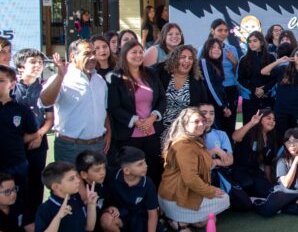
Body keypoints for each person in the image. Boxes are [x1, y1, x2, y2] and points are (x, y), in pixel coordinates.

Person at [158, 108, 230, 232]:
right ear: (185, 124)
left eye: (202, 121)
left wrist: (215, 151)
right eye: (196, 121)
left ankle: (184, 217)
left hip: (183, 192)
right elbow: (190, 179)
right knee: (224, 199)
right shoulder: (183, 145)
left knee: (207, 221)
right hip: (175, 196)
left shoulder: (193, 140)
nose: (201, 124)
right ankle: (180, 222)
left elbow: (202, 161)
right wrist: (211, 191)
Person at [40, 41, 110, 165]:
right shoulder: (63, 78)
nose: (93, 57)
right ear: (72, 56)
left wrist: (108, 134)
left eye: (94, 53)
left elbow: (104, 110)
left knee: (96, 184)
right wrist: (60, 76)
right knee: (70, 183)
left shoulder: (99, 80)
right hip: (70, 147)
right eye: (87, 53)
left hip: (98, 146)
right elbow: (45, 102)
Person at [107, 41, 166, 185]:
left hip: (152, 132)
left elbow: (162, 99)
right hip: (129, 135)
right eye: (134, 52)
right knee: (132, 173)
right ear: (125, 54)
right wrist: (136, 121)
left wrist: (152, 118)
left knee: (153, 170)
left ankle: (153, 204)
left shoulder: (151, 73)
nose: (139, 55)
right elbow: (114, 107)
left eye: (141, 51)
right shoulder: (115, 77)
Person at [104, 146, 169, 232]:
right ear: (126, 170)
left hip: (142, 219)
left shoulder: (147, 183)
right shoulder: (111, 176)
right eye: (140, 164)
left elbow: (152, 214)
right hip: (122, 217)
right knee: (106, 219)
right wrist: (108, 207)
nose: (145, 166)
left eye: (144, 162)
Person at [12, 49, 53, 220]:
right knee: (17, 185)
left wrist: (38, 135)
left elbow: (50, 119)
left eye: (40, 62)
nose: (37, 65)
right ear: (21, 66)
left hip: (38, 144)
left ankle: (35, 224)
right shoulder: (11, 88)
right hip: (15, 147)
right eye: (32, 62)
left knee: (37, 184)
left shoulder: (44, 87)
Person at [261, 46, 298, 138]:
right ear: (293, 56)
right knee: (280, 136)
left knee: (294, 136)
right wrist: (279, 61)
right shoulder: (283, 69)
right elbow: (263, 72)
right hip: (280, 110)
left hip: (296, 112)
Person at [157, 45, 208, 131]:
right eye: (183, 57)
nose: (187, 60)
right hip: (159, 128)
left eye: (190, 58)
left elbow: (203, 104)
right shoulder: (161, 74)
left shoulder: (196, 81)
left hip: (185, 131)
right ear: (175, 59)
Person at [230, 108, 279, 197]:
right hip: (239, 169)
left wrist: (269, 182)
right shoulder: (250, 131)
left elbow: (267, 163)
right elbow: (235, 137)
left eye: (274, 119)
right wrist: (251, 123)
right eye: (268, 118)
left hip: (255, 171)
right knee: (247, 184)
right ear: (260, 119)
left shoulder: (271, 138)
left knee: (267, 192)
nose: (272, 121)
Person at [208, 19, 241, 137]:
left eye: (226, 31)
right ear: (212, 31)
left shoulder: (232, 49)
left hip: (231, 89)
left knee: (233, 123)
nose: (223, 33)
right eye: (219, 30)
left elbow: (237, 72)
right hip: (215, 90)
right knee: (216, 123)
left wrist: (234, 63)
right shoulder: (205, 48)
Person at [237, 31, 276, 123]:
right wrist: (254, 90)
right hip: (249, 99)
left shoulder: (271, 58)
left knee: (266, 125)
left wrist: (265, 90)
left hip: (267, 98)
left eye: (255, 41)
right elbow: (240, 79)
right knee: (250, 126)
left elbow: (275, 78)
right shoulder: (244, 59)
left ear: (261, 42)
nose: (252, 43)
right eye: (249, 41)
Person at [200, 38, 230, 132]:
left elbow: (219, 87)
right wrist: (222, 106)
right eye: (213, 47)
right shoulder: (204, 62)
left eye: (219, 48)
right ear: (206, 49)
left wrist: (225, 105)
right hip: (210, 106)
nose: (217, 49)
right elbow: (210, 86)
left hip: (218, 107)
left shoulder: (217, 64)